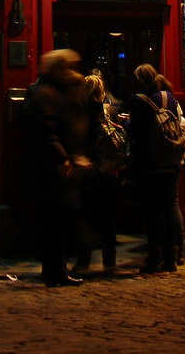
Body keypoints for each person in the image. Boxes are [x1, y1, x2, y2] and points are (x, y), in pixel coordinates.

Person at [21, 48, 88, 287]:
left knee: (57, 221)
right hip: (52, 171)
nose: (72, 72)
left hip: (55, 168)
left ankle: (56, 268)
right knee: (56, 221)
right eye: (68, 67)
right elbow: (47, 130)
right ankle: (56, 271)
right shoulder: (47, 94)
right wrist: (62, 158)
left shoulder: (53, 92)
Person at [127, 64, 185, 274]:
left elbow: (135, 132)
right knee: (170, 206)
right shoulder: (168, 96)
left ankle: (155, 255)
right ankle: (173, 256)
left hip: (148, 162)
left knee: (152, 210)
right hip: (170, 159)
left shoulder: (138, 100)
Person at [73, 73, 122, 275]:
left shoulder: (78, 112)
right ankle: (109, 262)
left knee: (85, 217)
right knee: (107, 219)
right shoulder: (110, 111)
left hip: (86, 171)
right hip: (107, 171)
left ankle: (83, 261)